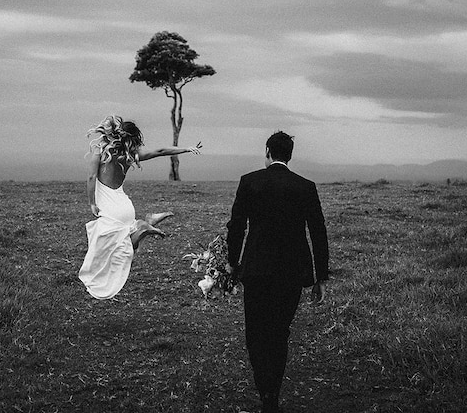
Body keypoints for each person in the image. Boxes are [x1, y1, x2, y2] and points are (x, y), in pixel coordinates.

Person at [226, 131, 329, 413]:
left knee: (255, 334)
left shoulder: (250, 182)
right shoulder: (305, 186)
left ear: (268, 152)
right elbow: (318, 232)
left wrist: (231, 262)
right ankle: (273, 391)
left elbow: (237, 226)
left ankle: (266, 392)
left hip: (257, 268)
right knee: (279, 332)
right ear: (290, 155)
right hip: (292, 271)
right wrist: (321, 277)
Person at [78, 115, 202, 300]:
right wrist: (186, 148)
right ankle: (147, 221)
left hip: (111, 209)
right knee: (123, 245)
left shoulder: (100, 151)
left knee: (107, 248)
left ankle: (144, 226)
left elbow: (91, 178)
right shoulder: (130, 156)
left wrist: (92, 203)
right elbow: (160, 151)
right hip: (126, 206)